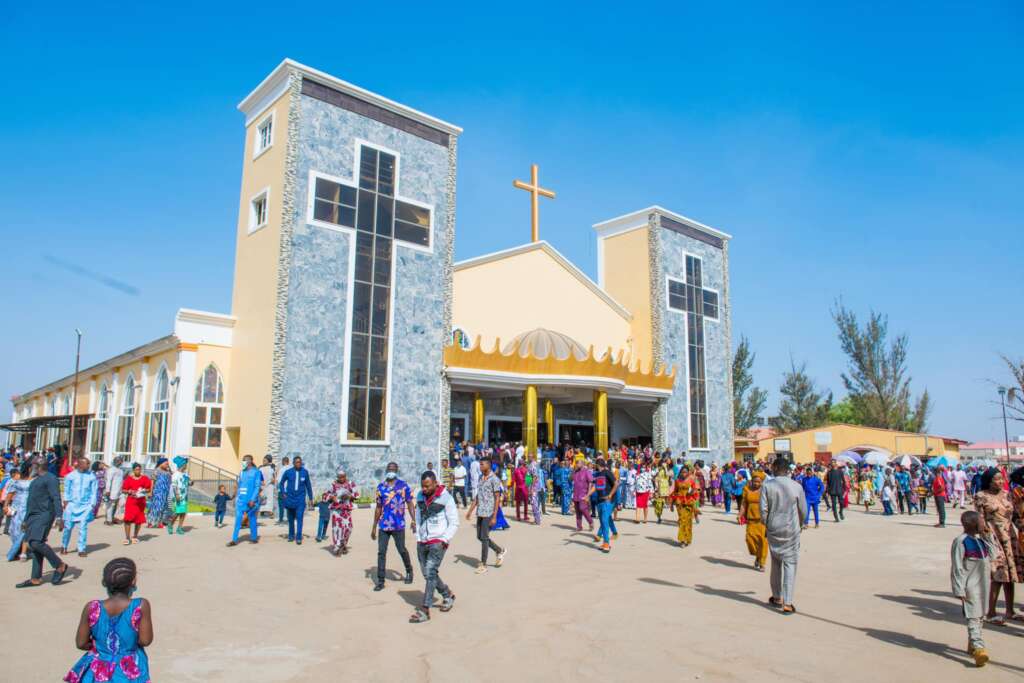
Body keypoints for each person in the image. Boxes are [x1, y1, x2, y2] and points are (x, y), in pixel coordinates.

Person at [64, 557, 152, 682]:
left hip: (98, 670)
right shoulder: (140, 606)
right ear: (133, 581)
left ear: (104, 582)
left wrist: (103, 648)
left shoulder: (92, 607)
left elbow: (81, 643)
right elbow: (145, 640)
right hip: (128, 672)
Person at [973, 467, 1021, 625]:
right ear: (989, 481)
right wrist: (987, 538)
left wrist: (1021, 526)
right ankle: (991, 613)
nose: (1000, 482)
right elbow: (979, 520)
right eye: (997, 479)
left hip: (1009, 537)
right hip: (993, 538)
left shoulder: (1007, 494)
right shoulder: (981, 496)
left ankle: (1010, 611)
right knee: (999, 574)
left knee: (1010, 575)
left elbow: (1015, 516)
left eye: (1002, 479)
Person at [409, 471, 459, 624]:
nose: (424, 489)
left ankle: (425, 610)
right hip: (422, 540)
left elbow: (454, 522)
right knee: (427, 574)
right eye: (422, 486)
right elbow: (418, 516)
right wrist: (418, 536)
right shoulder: (420, 496)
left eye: (427, 486)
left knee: (430, 572)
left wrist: (444, 539)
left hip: (438, 541)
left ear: (436, 483)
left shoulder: (446, 498)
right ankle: (447, 594)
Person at [761, 456, 807, 614]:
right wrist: (800, 525)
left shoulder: (767, 486)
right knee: (790, 564)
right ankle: (787, 603)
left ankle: (777, 597)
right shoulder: (796, 486)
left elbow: (763, 510)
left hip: (773, 528)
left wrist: (768, 524)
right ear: (788, 470)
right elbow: (803, 510)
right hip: (791, 529)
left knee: (776, 563)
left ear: (774, 468)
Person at [16, 459, 69, 588]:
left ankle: (59, 565)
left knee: (36, 542)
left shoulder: (51, 478)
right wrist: (26, 520)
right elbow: (30, 502)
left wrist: (59, 516)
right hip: (32, 516)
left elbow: (56, 497)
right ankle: (35, 578)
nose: (30, 468)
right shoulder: (35, 480)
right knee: (33, 545)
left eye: (32, 465)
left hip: (44, 514)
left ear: (37, 466)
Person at [951, 510, 992, 667]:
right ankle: (979, 649)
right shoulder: (961, 541)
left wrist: (988, 536)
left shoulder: (981, 541)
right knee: (973, 617)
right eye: (981, 521)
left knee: (980, 616)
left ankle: (972, 643)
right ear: (973, 524)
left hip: (983, 585)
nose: (983, 524)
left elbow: (993, 555)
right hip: (970, 586)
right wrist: (959, 589)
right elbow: (957, 567)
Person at [372, 462, 416, 590]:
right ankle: (380, 581)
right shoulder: (381, 487)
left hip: (398, 524)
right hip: (384, 525)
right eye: (389, 469)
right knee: (381, 552)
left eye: (393, 469)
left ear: (397, 471)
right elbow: (378, 507)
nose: (391, 471)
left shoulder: (403, 486)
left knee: (401, 549)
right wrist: (374, 526)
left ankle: (409, 570)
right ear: (386, 470)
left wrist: (414, 520)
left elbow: (410, 503)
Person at [466, 457, 506, 573]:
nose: (480, 466)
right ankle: (499, 550)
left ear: (488, 465)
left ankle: (483, 564)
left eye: (482, 464)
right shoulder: (480, 477)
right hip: (480, 512)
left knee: (484, 538)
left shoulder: (494, 479)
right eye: (480, 464)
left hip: (489, 512)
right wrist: (470, 511)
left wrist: (494, 516)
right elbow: (478, 496)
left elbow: (497, 498)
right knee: (480, 536)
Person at [61, 456, 98, 557]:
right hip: (72, 505)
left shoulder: (91, 477)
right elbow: (66, 491)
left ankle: (81, 549)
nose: (88, 465)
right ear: (80, 464)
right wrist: (66, 503)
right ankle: (64, 545)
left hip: (85, 506)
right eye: (87, 463)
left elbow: (94, 492)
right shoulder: (70, 476)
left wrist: (92, 505)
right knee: (68, 527)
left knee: (83, 528)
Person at [227, 455, 262, 546]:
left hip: (251, 501)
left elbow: (257, 487)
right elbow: (239, 486)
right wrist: (236, 497)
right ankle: (234, 540)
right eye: (242, 460)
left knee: (252, 519)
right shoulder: (241, 472)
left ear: (250, 461)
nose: (243, 462)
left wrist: (253, 499)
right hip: (241, 501)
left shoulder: (256, 472)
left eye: (244, 460)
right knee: (238, 520)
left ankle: (254, 538)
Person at [279, 456, 314, 544]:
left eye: (300, 462)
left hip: (300, 499)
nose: (299, 464)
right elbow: (281, 483)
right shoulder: (288, 472)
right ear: (293, 463)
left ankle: (298, 537)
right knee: (290, 518)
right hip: (290, 498)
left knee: (300, 517)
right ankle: (291, 535)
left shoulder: (305, 472)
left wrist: (310, 498)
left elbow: (308, 486)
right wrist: (283, 493)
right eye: (297, 462)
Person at [739, 471, 768, 571]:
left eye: (759, 482)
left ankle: (762, 563)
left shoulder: (765, 491)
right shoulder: (747, 489)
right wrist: (740, 515)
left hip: (762, 520)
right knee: (749, 539)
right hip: (750, 519)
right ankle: (758, 556)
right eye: (755, 481)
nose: (756, 483)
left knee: (763, 541)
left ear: (762, 482)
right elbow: (743, 504)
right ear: (752, 481)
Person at [326, 468, 359, 555]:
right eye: (339, 477)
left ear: (345, 476)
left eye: (343, 477)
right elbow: (326, 495)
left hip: (346, 510)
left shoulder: (351, 483)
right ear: (337, 477)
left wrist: (349, 496)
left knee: (349, 528)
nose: (341, 479)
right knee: (337, 528)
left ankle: (343, 544)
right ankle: (337, 547)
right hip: (336, 510)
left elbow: (357, 495)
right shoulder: (333, 484)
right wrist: (332, 497)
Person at [4, 463, 32, 561]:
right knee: (14, 530)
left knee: (24, 530)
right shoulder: (16, 482)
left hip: (28, 507)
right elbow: (10, 494)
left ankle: (23, 553)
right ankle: (18, 550)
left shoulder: (33, 482)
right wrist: (6, 505)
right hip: (17, 508)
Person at [592, 458, 619, 552]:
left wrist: (610, 495)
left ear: (598, 465)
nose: (594, 466)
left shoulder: (607, 472)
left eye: (595, 465)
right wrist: (587, 495)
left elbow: (616, 484)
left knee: (604, 520)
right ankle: (614, 533)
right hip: (599, 500)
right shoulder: (597, 474)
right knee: (606, 519)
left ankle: (606, 542)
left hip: (608, 500)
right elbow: (595, 487)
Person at [120, 464, 151, 545]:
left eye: (139, 469)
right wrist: (129, 491)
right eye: (136, 469)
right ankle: (127, 538)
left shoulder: (145, 478)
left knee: (138, 520)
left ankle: (135, 536)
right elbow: (123, 489)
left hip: (140, 502)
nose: (138, 471)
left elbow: (148, 489)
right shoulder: (129, 479)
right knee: (127, 519)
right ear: (133, 470)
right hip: (131, 501)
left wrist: (143, 490)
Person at [670, 465, 700, 548]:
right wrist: (671, 504)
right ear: (680, 472)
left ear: (688, 473)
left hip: (689, 503)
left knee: (688, 521)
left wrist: (692, 492)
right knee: (682, 520)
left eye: (685, 472)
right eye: (682, 472)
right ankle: (682, 540)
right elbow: (675, 492)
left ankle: (688, 539)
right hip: (679, 503)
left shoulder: (691, 481)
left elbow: (696, 491)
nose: (684, 474)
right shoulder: (677, 481)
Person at [146, 458, 172, 529]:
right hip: (158, 492)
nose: (167, 465)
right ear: (161, 463)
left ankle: (159, 523)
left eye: (168, 464)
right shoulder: (157, 471)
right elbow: (152, 481)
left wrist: (169, 470)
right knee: (156, 507)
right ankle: (151, 522)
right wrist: (150, 492)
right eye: (166, 464)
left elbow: (170, 480)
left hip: (165, 493)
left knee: (163, 508)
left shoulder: (167, 472)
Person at [571, 458, 594, 532]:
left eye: (578, 463)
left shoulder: (586, 471)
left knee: (583, 508)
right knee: (577, 511)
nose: (577, 464)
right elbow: (571, 479)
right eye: (576, 463)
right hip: (576, 493)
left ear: (582, 464)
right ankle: (579, 526)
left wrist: (588, 494)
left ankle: (590, 522)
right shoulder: (575, 472)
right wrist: (573, 470)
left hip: (583, 493)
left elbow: (590, 482)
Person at [169, 456, 190, 535]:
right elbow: (174, 485)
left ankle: (179, 528)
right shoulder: (175, 474)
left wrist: (191, 483)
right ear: (182, 465)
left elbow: (188, 482)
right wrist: (177, 494)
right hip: (177, 496)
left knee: (183, 512)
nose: (186, 466)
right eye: (185, 464)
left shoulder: (185, 474)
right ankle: (170, 524)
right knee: (177, 512)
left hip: (184, 496)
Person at [104, 456, 124, 526]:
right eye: (119, 461)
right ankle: (108, 520)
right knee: (110, 505)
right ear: (115, 461)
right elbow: (108, 481)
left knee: (119, 504)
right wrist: (108, 490)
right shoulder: (111, 470)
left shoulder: (120, 470)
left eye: (121, 461)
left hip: (119, 491)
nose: (120, 462)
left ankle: (112, 518)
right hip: (112, 491)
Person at [275, 456, 290, 524]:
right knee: (289, 505)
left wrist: (276, 488)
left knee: (281, 505)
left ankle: (281, 519)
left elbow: (278, 481)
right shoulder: (291, 469)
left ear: (283, 462)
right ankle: (289, 518)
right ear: (288, 462)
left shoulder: (282, 470)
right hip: (290, 490)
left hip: (282, 490)